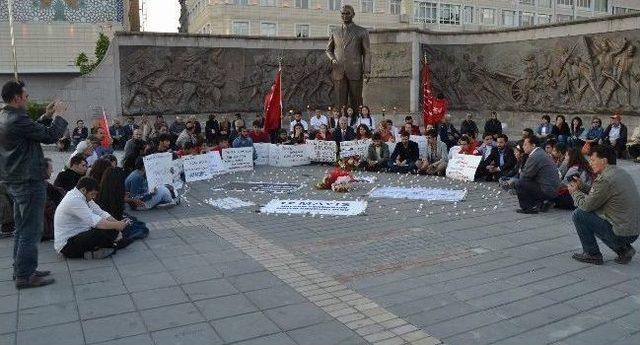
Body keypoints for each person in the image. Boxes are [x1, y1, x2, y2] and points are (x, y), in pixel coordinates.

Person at [0, 80, 68, 288]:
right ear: (17, 98)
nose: (28, 99)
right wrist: (59, 115)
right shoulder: (16, 119)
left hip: (17, 179)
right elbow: (49, 136)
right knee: (31, 229)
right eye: (26, 96)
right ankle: (25, 276)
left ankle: (22, 269)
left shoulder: (7, 116)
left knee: (22, 228)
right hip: (28, 180)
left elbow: (32, 130)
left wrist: (46, 116)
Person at [569, 145, 639, 265]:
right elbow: (599, 193)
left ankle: (592, 254)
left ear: (604, 161)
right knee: (598, 217)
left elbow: (586, 206)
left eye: (593, 160)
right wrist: (582, 187)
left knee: (579, 215)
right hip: (633, 232)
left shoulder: (605, 179)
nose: (590, 163)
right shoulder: (621, 172)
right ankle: (624, 249)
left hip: (621, 233)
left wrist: (575, 192)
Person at [54, 177, 130, 260]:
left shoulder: (83, 196)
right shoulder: (73, 200)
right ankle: (110, 245)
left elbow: (100, 212)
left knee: (112, 229)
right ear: (83, 190)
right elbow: (96, 222)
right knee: (102, 233)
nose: (93, 197)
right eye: (92, 194)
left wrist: (117, 223)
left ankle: (110, 244)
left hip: (81, 234)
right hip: (67, 245)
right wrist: (117, 226)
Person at [326, 4, 371, 111]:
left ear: (353, 15)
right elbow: (328, 50)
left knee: (356, 100)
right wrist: (332, 59)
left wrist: (367, 71)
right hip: (338, 71)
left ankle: (358, 122)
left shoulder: (362, 31)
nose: (345, 15)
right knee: (340, 102)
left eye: (347, 13)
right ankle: (341, 124)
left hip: (355, 70)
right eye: (342, 13)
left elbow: (367, 52)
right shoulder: (334, 31)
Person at [515, 135, 561, 214]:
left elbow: (525, 176)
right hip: (552, 189)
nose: (523, 146)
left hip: (547, 190)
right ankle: (540, 203)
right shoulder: (540, 153)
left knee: (519, 183)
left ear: (533, 145)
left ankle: (528, 208)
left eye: (525, 144)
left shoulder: (535, 156)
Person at [43, 158, 65, 242]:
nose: (52, 171)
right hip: (47, 229)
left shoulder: (44, 184)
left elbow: (59, 191)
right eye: (50, 168)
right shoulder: (39, 187)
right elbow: (49, 208)